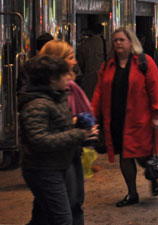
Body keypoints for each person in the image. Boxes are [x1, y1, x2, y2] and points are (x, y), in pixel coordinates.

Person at [91, 28, 158, 208]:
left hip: (140, 120)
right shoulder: (108, 65)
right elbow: (99, 92)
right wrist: (93, 117)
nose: (118, 43)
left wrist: (157, 113)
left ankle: (153, 175)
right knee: (124, 155)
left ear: (130, 42)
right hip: (117, 120)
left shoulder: (144, 62)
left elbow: (156, 87)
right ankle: (132, 193)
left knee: (142, 155)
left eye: (122, 40)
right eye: (115, 40)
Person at [21, 52, 97, 225]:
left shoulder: (57, 96)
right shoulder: (37, 104)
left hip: (58, 164)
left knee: (42, 217)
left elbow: (58, 126)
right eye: (64, 75)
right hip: (44, 168)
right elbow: (40, 139)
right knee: (62, 219)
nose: (68, 78)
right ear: (52, 79)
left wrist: (78, 126)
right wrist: (79, 134)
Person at [40, 40, 99, 180]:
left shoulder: (66, 86)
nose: (75, 62)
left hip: (67, 151)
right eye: (71, 58)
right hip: (57, 156)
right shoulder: (58, 90)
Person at [76, 21, 108, 96]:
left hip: (89, 78)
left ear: (90, 31)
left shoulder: (84, 45)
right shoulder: (107, 44)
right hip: (103, 77)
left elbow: (80, 63)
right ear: (102, 32)